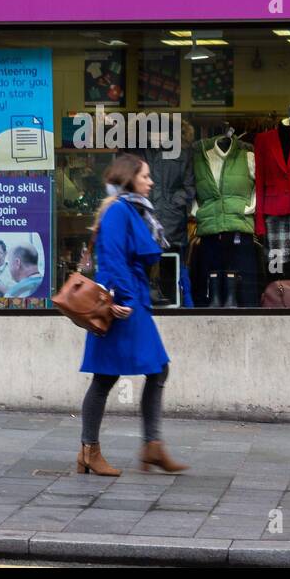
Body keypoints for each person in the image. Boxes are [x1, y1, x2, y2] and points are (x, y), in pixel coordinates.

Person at [76, 153, 188, 476]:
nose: (151, 182)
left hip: (130, 301)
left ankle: (150, 447)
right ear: (129, 179)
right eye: (145, 177)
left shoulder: (130, 209)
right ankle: (90, 451)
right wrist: (118, 299)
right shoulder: (119, 212)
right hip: (123, 305)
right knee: (109, 376)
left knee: (153, 369)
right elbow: (110, 258)